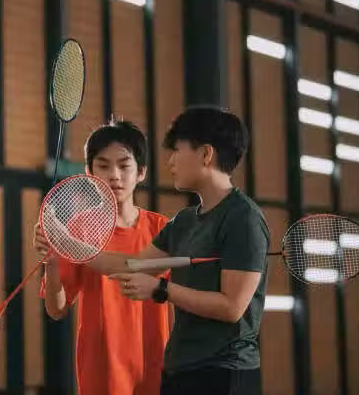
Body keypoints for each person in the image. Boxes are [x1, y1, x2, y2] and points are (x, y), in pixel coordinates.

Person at [40, 107, 271, 395]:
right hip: (181, 370)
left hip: (226, 371)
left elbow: (232, 308)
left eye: (177, 150)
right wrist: (65, 243)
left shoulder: (243, 218)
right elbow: (135, 264)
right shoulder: (183, 222)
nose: (170, 161)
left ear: (205, 154)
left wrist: (162, 289)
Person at [36, 120, 172, 395]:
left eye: (124, 165)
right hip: (101, 372)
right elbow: (56, 309)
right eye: (103, 166)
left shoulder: (163, 229)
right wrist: (51, 265)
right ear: (89, 172)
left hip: (158, 367)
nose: (114, 175)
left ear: (141, 172)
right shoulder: (80, 228)